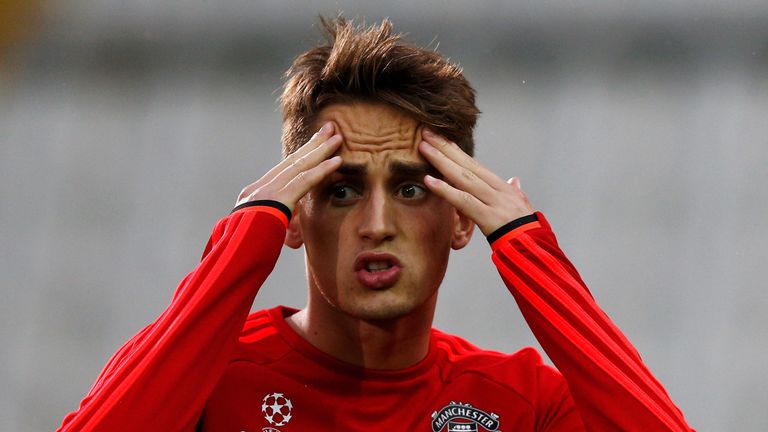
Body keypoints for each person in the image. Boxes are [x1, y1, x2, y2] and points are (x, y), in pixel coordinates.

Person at [58, 17, 694, 431]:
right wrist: (239, 247)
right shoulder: (207, 378)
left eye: (412, 187)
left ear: (463, 219)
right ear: (293, 216)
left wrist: (532, 256)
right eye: (341, 190)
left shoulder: (522, 405)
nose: (377, 224)